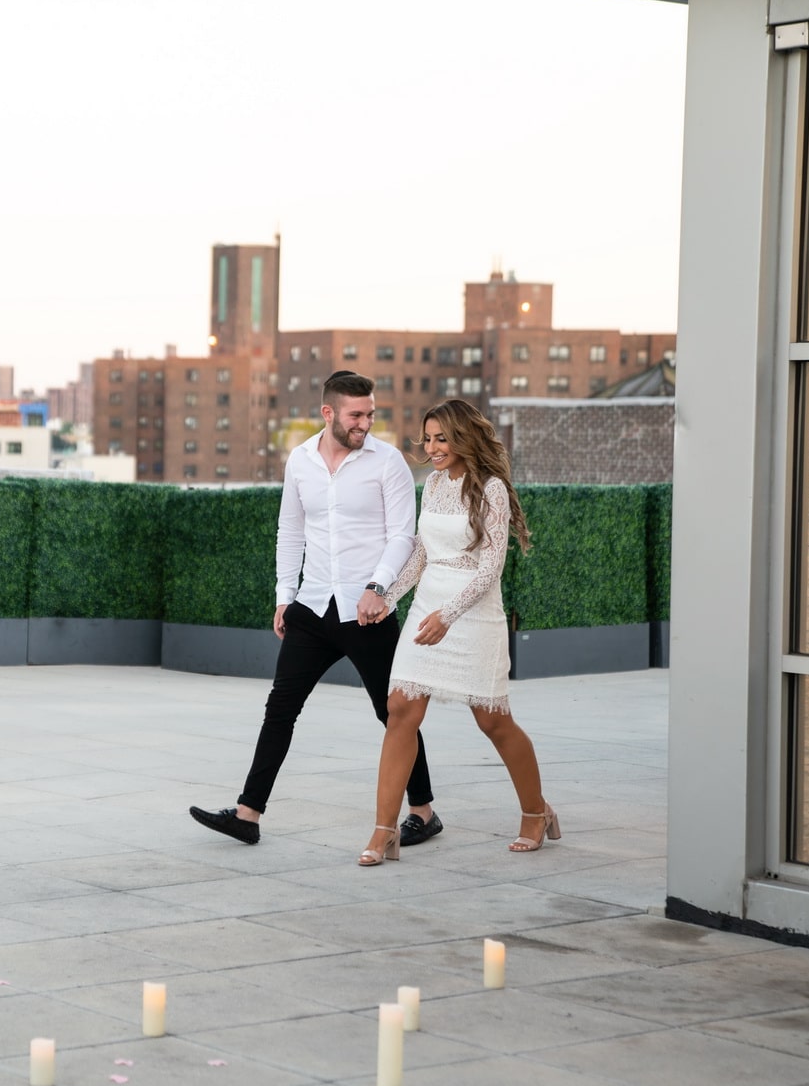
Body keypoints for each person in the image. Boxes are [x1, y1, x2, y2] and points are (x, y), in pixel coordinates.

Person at [189, 370, 440, 850]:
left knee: (394, 714)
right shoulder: (301, 460)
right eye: (356, 414)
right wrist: (285, 595)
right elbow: (291, 531)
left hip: (369, 610)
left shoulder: (387, 463)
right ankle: (248, 814)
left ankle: (423, 813)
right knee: (279, 710)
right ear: (328, 413)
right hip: (311, 605)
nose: (365, 422)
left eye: (370, 413)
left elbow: (401, 537)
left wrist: (378, 588)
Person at [362, 398, 554, 864]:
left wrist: (448, 616)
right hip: (428, 604)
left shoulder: (490, 489)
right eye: (428, 439)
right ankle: (383, 830)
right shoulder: (432, 486)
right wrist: (388, 597)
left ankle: (535, 813)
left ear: (464, 437)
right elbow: (423, 555)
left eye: (441, 438)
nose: (433, 447)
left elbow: (491, 568)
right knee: (400, 709)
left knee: (493, 720)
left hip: (471, 614)